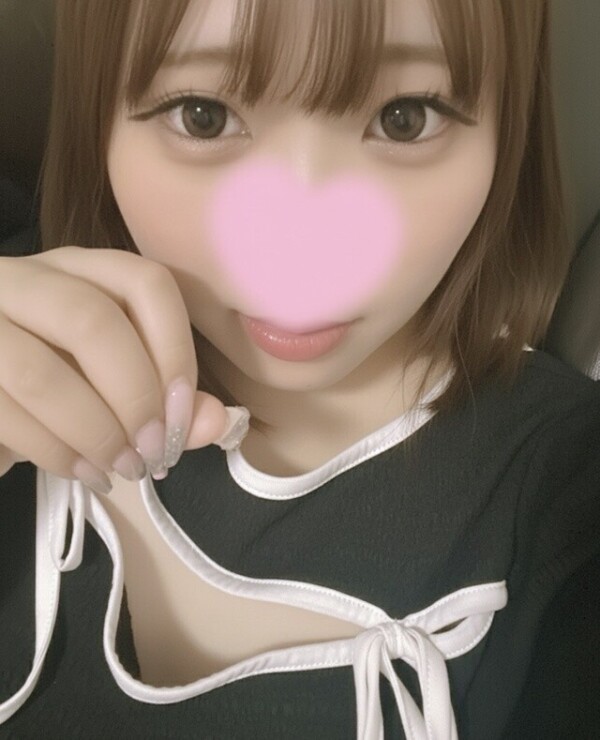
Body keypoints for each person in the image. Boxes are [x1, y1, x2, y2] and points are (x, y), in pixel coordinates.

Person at [0, 0, 598, 737]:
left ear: (508, 132)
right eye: (203, 116)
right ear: (98, 117)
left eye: (405, 118)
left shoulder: (565, 491)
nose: (300, 252)